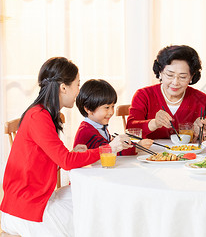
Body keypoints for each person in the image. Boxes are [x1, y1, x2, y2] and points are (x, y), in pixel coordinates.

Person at [0, 57, 131, 237]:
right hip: (26, 208)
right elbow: (67, 161)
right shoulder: (38, 117)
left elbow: (52, 159)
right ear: (63, 87)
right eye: (77, 84)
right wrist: (108, 148)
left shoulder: (43, 113)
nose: (79, 90)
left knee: (93, 200)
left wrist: (70, 155)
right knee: (91, 212)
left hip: (36, 199)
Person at [127, 45, 206, 139]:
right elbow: (130, 129)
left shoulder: (201, 99)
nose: (175, 82)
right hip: (152, 153)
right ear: (160, 72)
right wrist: (154, 123)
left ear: (191, 77)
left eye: (182, 77)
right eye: (170, 75)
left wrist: (203, 134)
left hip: (190, 153)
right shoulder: (144, 95)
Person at [74, 79, 153, 155]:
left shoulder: (98, 126)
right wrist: (137, 147)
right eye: (107, 107)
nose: (111, 112)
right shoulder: (86, 131)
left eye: (113, 106)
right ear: (88, 109)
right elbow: (106, 150)